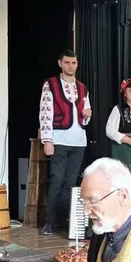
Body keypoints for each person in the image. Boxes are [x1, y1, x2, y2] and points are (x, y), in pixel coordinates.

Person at [38, 50, 93, 235]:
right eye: (67, 62)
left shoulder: (82, 88)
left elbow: (86, 114)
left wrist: (87, 115)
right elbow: (45, 113)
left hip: (78, 141)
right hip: (59, 139)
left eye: (74, 63)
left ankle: (66, 221)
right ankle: (49, 222)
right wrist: (47, 140)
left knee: (70, 183)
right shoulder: (51, 85)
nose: (71, 66)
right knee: (57, 181)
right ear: (60, 63)